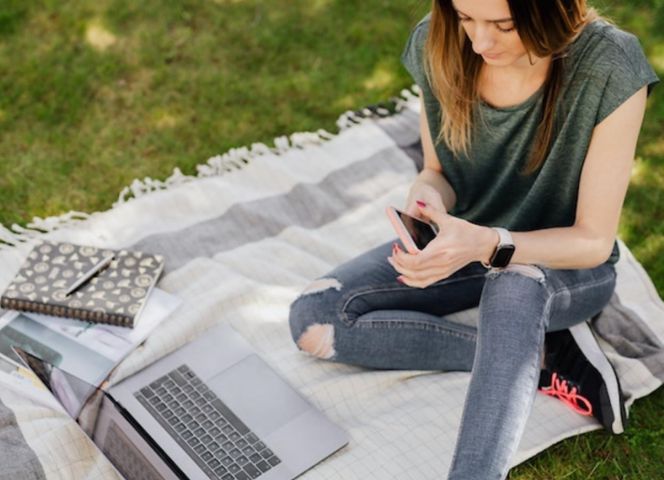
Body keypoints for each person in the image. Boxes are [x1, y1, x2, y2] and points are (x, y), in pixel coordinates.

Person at [288, 0, 659, 478]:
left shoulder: (610, 64)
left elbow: (591, 240)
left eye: (503, 25)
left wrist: (488, 245)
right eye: (466, 18)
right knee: (315, 317)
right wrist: (427, 203)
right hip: (465, 241)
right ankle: (541, 357)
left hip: (564, 264)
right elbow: (437, 172)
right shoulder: (437, 41)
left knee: (513, 282)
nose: (480, 43)